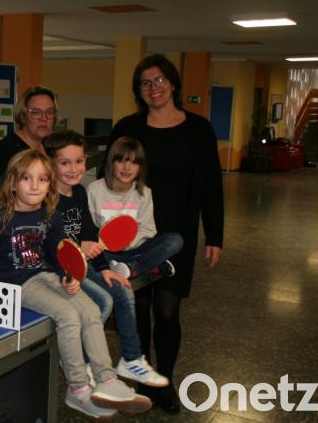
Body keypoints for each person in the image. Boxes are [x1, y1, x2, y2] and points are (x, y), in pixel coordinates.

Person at [0, 149, 152, 419]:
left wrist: (69, 277)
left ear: (50, 183)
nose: (35, 186)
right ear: (12, 182)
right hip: (18, 284)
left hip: (47, 276)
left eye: (42, 179)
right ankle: (78, 389)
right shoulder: (0, 219)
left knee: (90, 309)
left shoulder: (49, 215)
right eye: (26, 178)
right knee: (68, 314)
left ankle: (106, 380)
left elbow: (59, 254)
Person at [99, 54, 224, 413]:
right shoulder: (128, 127)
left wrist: (214, 235)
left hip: (176, 233)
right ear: (138, 90)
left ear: (173, 83)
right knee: (136, 310)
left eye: (159, 80)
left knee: (167, 312)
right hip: (131, 236)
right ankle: (142, 378)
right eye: (144, 83)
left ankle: (165, 380)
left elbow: (211, 187)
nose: (153, 88)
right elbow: (107, 177)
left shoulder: (199, 129)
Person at [86, 135, 184, 388]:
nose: (127, 168)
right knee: (114, 264)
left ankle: (135, 268)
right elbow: (88, 231)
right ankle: (154, 266)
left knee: (174, 240)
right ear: (111, 163)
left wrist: (127, 244)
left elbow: (149, 230)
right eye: (121, 161)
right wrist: (107, 243)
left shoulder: (144, 193)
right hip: (105, 254)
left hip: (134, 253)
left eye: (134, 163)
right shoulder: (94, 190)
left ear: (140, 168)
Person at [41, 130, 113, 324]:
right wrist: (81, 246)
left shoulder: (80, 192)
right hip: (55, 270)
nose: (74, 169)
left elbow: (89, 232)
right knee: (103, 302)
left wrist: (104, 267)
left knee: (120, 293)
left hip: (78, 265)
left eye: (79, 161)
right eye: (65, 163)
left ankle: (131, 354)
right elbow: (46, 246)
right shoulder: (43, 198)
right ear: (50, 163)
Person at [0, 86, 57, 186]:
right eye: (36, 112)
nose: (44, 118)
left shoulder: (51, 146)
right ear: (23, 115)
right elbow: (1, 195)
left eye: (49, 112)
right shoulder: (6, 150)